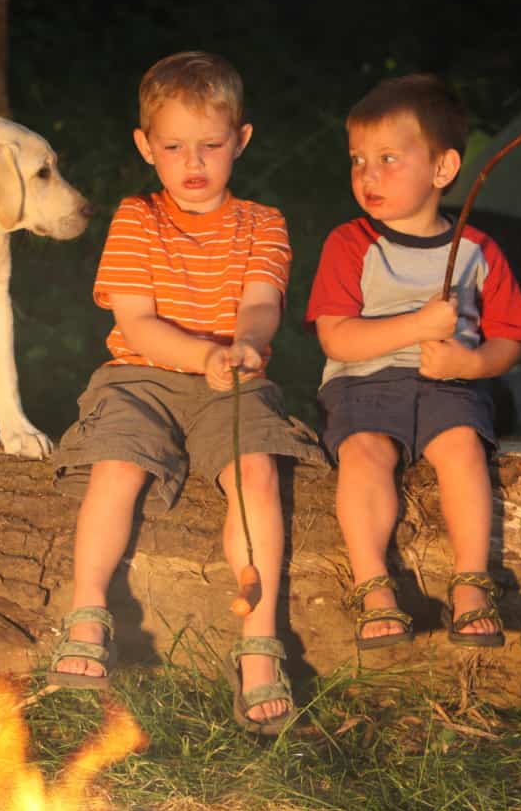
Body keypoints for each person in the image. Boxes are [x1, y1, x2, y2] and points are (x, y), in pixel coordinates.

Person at [51, 51, 325, 735]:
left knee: (255, 474)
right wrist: (202, 354)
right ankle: (87, 612)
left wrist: (244, 347)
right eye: (173, 147)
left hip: (231, 378)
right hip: (141, 375)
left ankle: (258, 644)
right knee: (115, 466)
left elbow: (262, 304)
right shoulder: (137, 218)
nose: (192, 162)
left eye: (210, 145)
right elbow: (136, 322)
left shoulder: (264, 223)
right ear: (146, 147)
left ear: (241, 140)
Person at [305, 73, 521, 651]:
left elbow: (508, 341)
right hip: (364, 382)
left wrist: (468, 364)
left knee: (460, 447)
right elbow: (336, 339)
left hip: (449, 382)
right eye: (357, 160)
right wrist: (415, 327)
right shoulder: (350, 243)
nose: (367, 175)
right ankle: (373, 584)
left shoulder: (479, 252)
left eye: (386, 158)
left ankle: (472, 583)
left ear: (443, 169)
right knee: (364, 452)